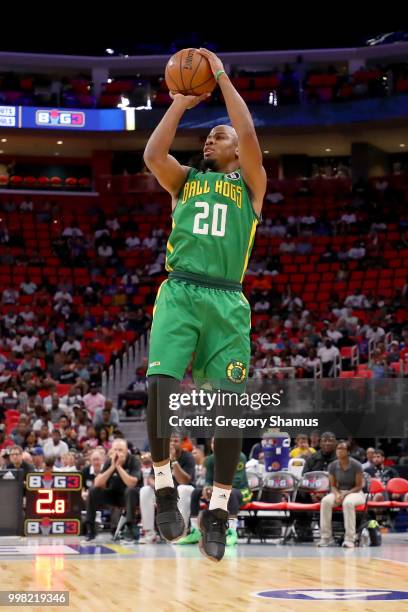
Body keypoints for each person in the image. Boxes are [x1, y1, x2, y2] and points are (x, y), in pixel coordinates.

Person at [143, 48, 266, 561]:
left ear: (239, 150)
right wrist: (178, 103)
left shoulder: (252, 185)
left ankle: (216, 509)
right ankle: (163, 484)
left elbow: (250, 133)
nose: (212, 136)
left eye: (223, 134)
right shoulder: (186, 181)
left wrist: (219, 75)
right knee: (161, 384)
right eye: (209, 133)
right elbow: (153, 155)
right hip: (181, 289)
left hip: (228, 301)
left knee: (230, 408)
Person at [85, 438, 141, 542]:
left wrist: (119, 467)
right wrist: (112, 467)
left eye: (120, 450)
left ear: (126, 451)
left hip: (130, 497)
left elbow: (132, 483)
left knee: (130, 491)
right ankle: (91, 530)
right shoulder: (109, 461)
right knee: (93, 491)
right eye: (115, 450)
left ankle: (129, 528)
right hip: (113, 495)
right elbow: (97, 482)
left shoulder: (134, 460)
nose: (117, 453)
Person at [318, 440, 365, 548]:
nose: (339, 451)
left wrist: (345, 494)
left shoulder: (356, 465)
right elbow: (333, 485)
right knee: (325, 501)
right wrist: (337, 494)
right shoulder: (333, 465)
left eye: (342, 448)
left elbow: (359, 486)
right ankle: (326, 538)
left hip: (355, 492)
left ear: (348, 451)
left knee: (348, 503)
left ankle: (350, 539)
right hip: (339, 491)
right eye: (338, 448)